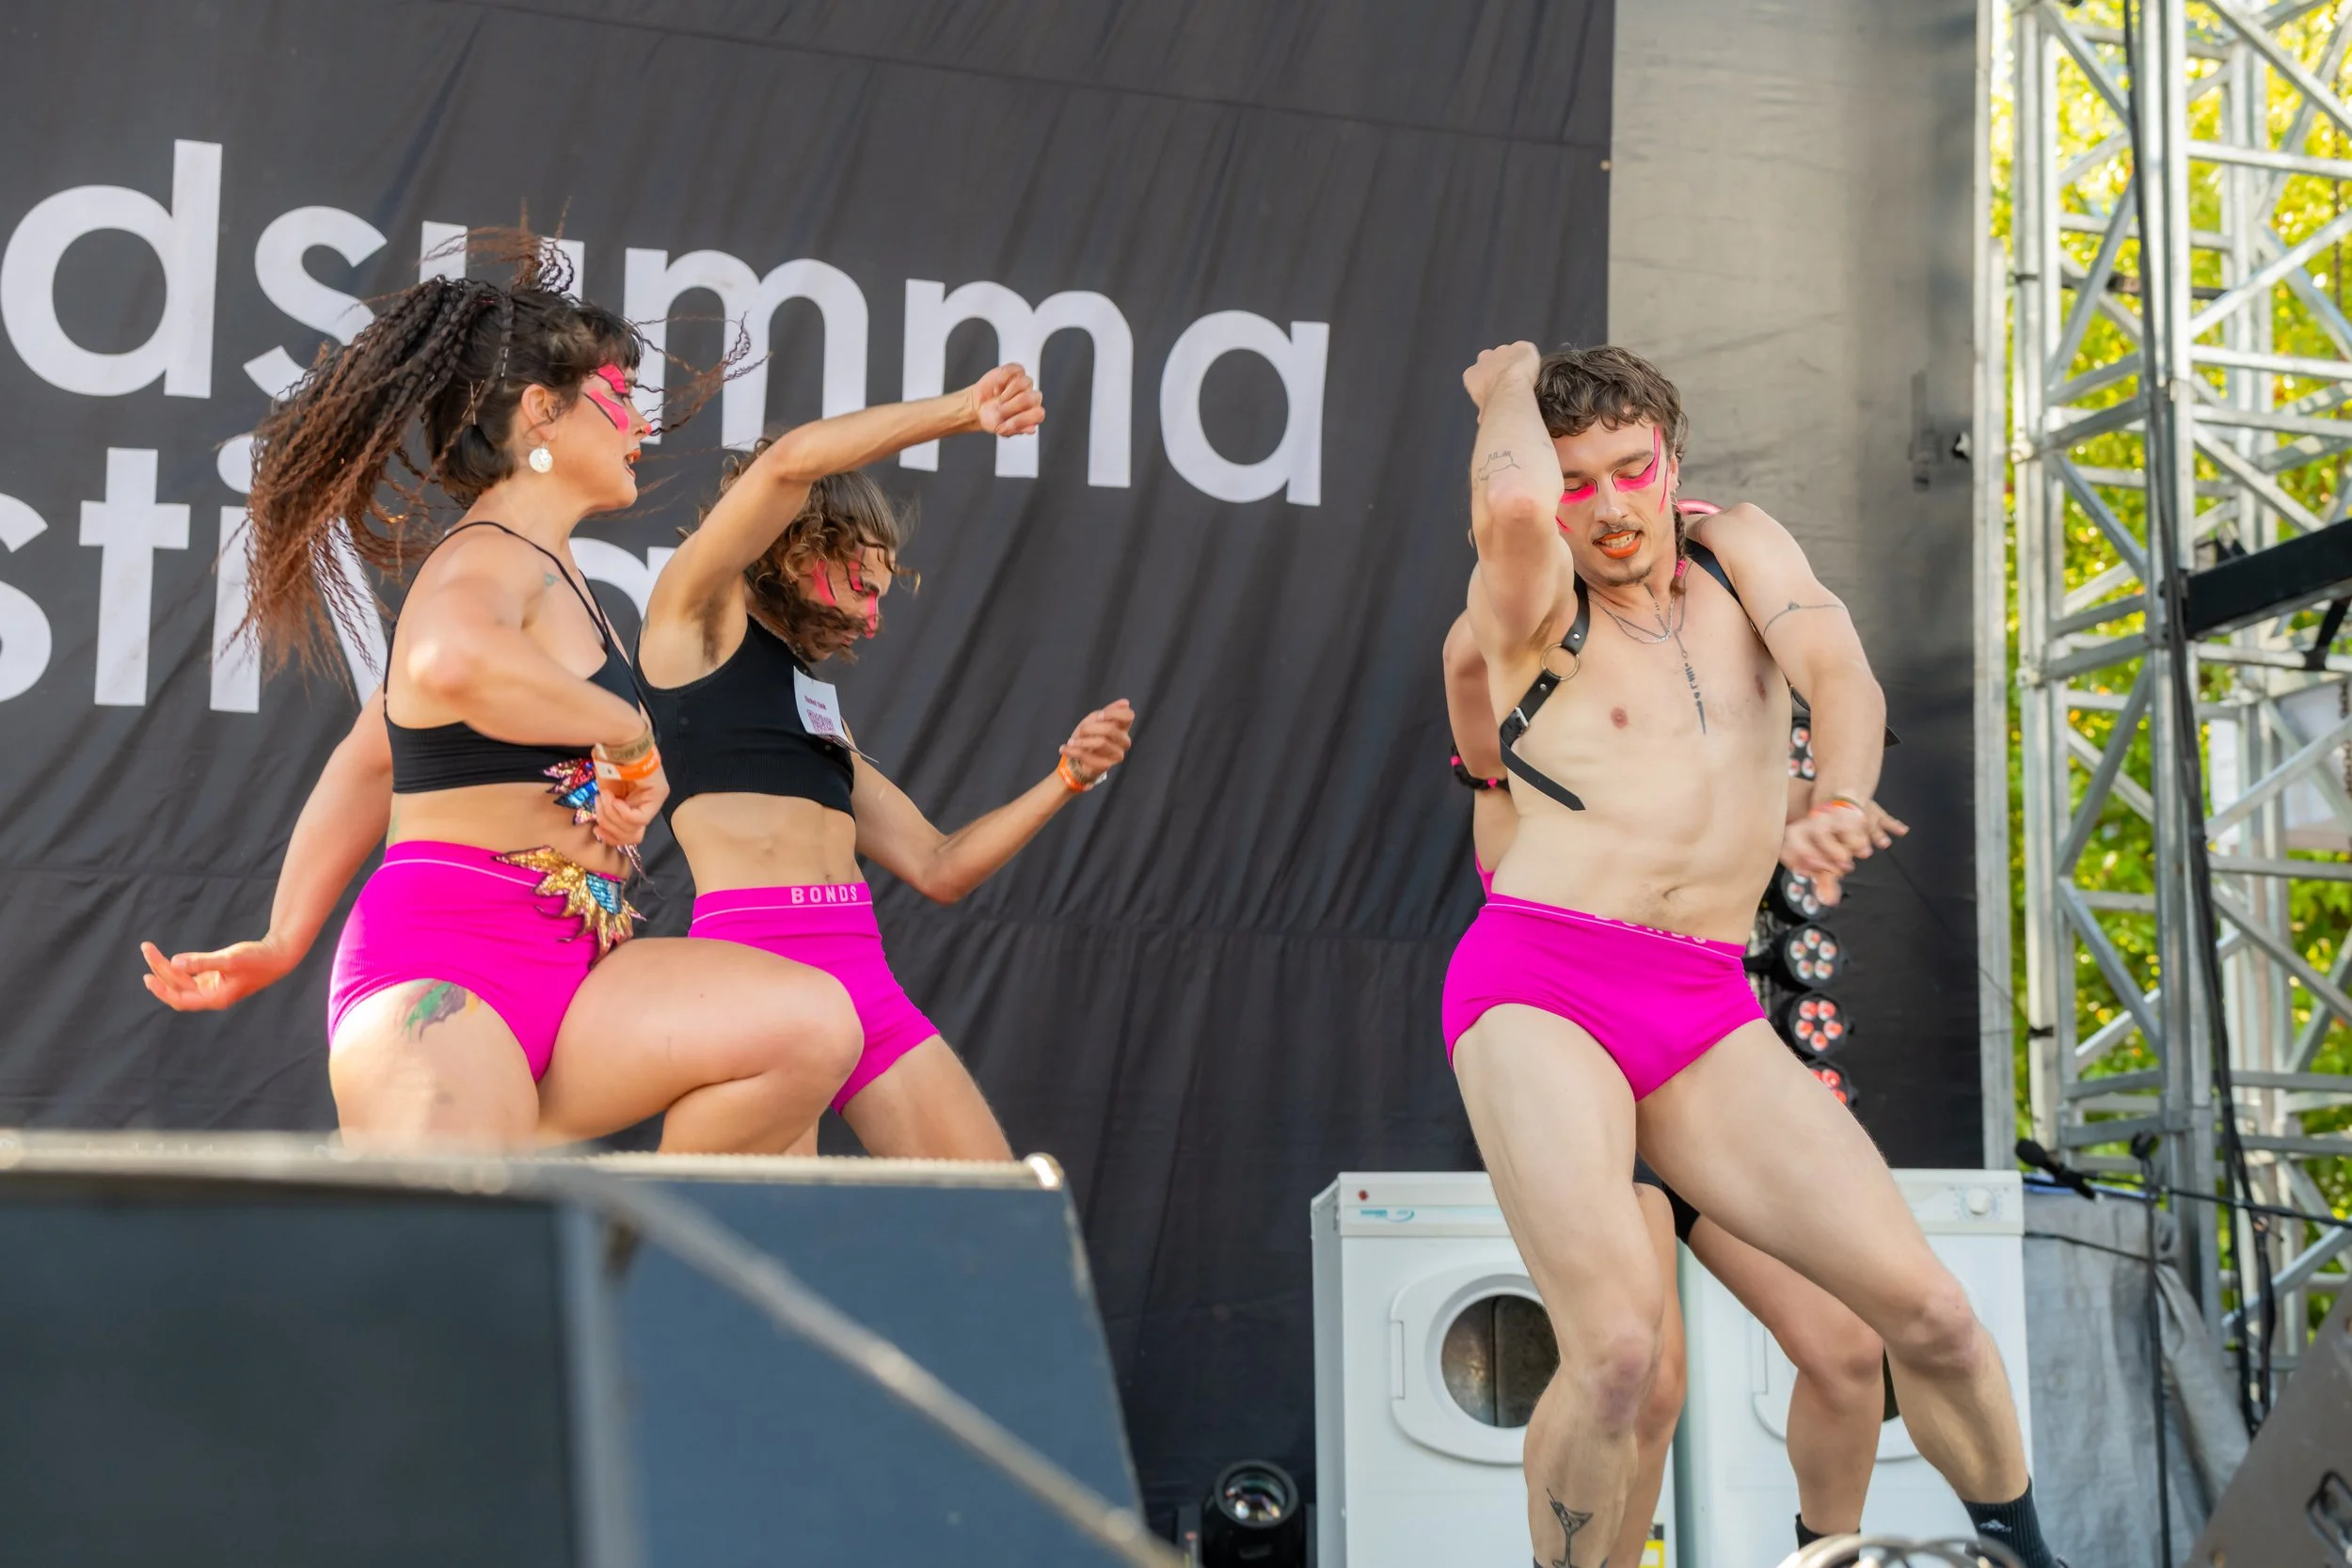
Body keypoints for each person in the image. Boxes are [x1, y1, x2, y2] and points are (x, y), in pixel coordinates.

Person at [1449, 341, 2061, 1568]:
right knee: (1622, 1356)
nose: (1611, 508)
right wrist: (1503, 388)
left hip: (1702, 1003)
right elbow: (1511, 507)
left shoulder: (1742, 549)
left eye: (1632, 470)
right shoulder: (1524, 603)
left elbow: (1840, 665)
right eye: (1580, 483)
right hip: (1544, 983)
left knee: (1929, 1316)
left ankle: (2030, 1553)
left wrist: (1837, 793)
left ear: (1673, 458)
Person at [139, 242, 861, 1152]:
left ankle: (637, 1279)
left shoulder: (558, 575)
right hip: (445, 970)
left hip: (575, 965)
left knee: (809, 1024)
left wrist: (287, 935)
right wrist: (627, 729)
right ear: (541, 414)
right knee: (455, 1261)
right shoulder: (488, 556)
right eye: (620, 396)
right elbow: (446, 663)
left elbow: (373, 753)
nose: (641, 424)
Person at [1444, 611, 1888, 1563]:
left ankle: (1827, 1553)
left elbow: (1802, 782)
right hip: (1588, 1100)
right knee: (1642, 1376)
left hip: (1704, 1097)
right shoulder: (1533, 786)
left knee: (1849, 1347)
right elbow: (1469, 653)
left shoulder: (1742, 790)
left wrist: (1827, 806)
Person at [635, 366, 1133, 1160]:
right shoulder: (693, 620)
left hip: (860, 970)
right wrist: (964, 412)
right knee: (757, 1244)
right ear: (803, 546)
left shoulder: (811, 707)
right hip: (754, 972)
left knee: (994, 1214)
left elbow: (939, 866)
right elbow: (788, 463)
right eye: (863, 586)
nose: (871, 619)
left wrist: (1067, 777)